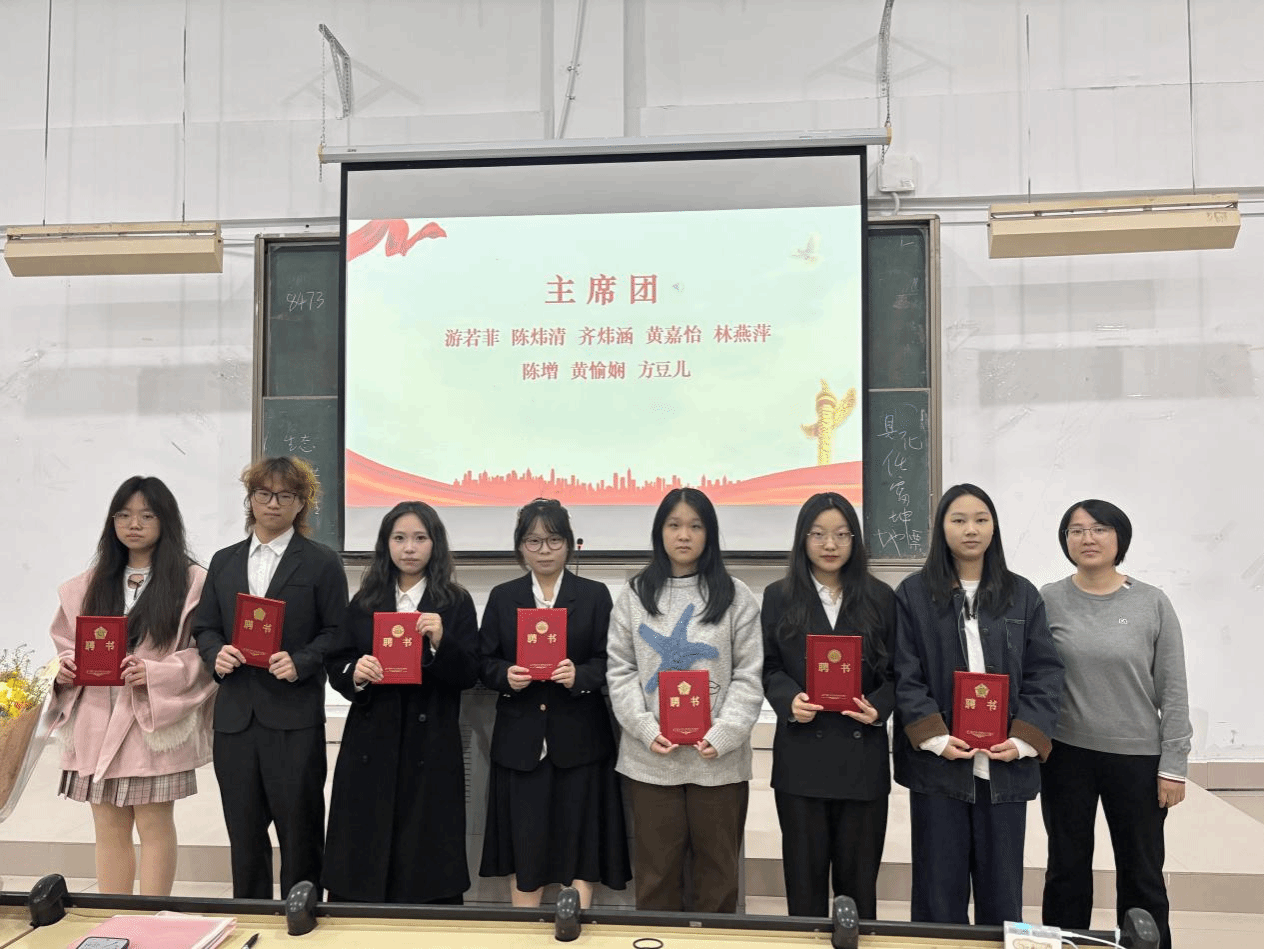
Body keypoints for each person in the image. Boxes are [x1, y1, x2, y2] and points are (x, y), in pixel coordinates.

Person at [892, 483, 1064, 925]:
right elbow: (905, 673)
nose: (971, 529)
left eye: (981, 520)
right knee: (937, 889)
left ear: (994, 528)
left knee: (1001, 890)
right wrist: (934, 736)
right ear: (941, 528)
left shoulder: (1022, 594)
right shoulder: (913, 594)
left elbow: (1046, 672)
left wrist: (1022, 739)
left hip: (1004, 763)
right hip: (940, 764)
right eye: (959, 520)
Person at [49, 476, 215, 896]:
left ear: (166, 521)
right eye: (123, 515)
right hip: (95, 718)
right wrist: (64, 670)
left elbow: (206, 653)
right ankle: (112, 916)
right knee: (107, 825)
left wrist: (155, 673)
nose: (133, 524)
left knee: (154, 824)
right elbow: (65, 646)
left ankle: (152, 918)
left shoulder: (193, 583)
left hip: (150, 721)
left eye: (146, 515)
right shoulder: (86, 585)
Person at [192, 456, 348, 900]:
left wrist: (302, 661)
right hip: (235, 718)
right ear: (251, 499)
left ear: (302, 503)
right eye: (264, 493)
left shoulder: (321, 562)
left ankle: (303, 913)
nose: (273, 503)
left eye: (285, 495)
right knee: (243, 831)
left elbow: (338, 631)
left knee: (300, 829)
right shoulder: (224, 561)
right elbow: (205, 627)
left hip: (293, 717)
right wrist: (215, 653)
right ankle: (250, 912)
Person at [1040, 500, 1190, 949]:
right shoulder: (1048, 599)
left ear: (1119, 537)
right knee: (1065, 868)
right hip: (1065, 755)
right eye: (1076, 530)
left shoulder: (1151, 602)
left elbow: (1173, 687)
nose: (1088, 538)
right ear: (1065, 541)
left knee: (1141, 872)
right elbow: (1034, 674)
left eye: (1100, 528)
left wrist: (1174, 765)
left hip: (1137, 758)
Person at [606, 487, 763, 913]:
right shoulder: (635, 595)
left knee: (718, 877)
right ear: (660, 532)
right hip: (651, 761)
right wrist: (645, 728)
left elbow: (749, 675)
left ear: (709, 534)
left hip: (719, 763)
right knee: (656, 876)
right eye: (674, 525)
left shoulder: (735, 595)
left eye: (695, 526)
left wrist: (724, 733)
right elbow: (620, 670)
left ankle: (712, 942)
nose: (684, 535)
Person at [322, 501, 479, 904]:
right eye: (400, 538)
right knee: (364, 847)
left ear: (435, 544)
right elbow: (337, 662)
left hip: (431, 744)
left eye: (420, 538)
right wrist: (356, 672)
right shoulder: (365, 601)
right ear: (386, 544)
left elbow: (469, 673)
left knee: (426, 856)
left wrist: (442, 641)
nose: (409, 548)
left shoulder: (455, 602)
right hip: (371, 741)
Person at [477, 499, 631, 907]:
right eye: (534, 541)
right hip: (521, 742)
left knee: (581, 842)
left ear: (569, 544)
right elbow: (484, 661)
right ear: (520, 546)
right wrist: (505, 676)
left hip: (580, 740)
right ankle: (525, 928)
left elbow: (610, 661)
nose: (544, 550)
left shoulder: (594, 595)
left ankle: (574, 924)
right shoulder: (503, 597)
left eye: (554, 540)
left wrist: (580, 676)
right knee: (524, 842)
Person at [761, 492, 896, 919]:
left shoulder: (881, 597)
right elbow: (768, 666)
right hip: (802, 758)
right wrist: (788, 699)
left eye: (841, 534)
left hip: (862, 760)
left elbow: (899, 672)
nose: (830, 544)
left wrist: (879, 707)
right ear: (803, 539)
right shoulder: (779, 596)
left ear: (855, 540)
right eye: (818, 534)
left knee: (859, 889)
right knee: (804, 887)